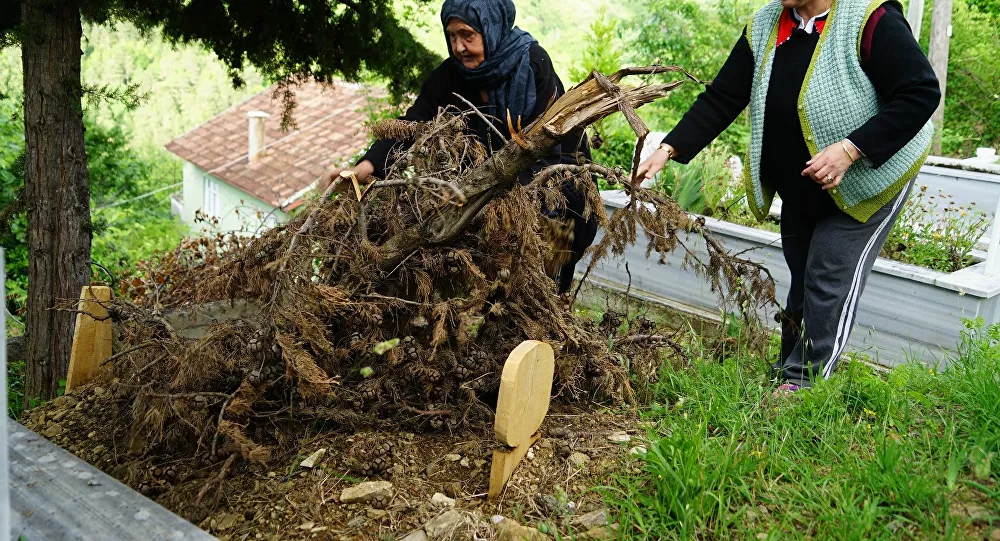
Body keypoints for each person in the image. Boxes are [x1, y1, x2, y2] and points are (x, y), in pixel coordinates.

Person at [634, 0, 940, 393]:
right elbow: (723, 97)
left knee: (828, 275)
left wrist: (851, 149)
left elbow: (920, 92)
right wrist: (668, 149)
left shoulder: (870, 18)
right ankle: (787, 368)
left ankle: (803, 382)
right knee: (803, 276)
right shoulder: (765, 25)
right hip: (803, 183)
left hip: (871, 178)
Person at [323, 0, 596, 293]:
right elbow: (412, 125)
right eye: (451, 36)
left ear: (492, 28)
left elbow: (547, 148)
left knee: (537, 290)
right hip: (488, 201)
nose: (459, 47)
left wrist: (509, 208)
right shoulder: (452, 76)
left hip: (555, 194)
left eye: (467, 35)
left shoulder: (532, 65)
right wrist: (365, 167)